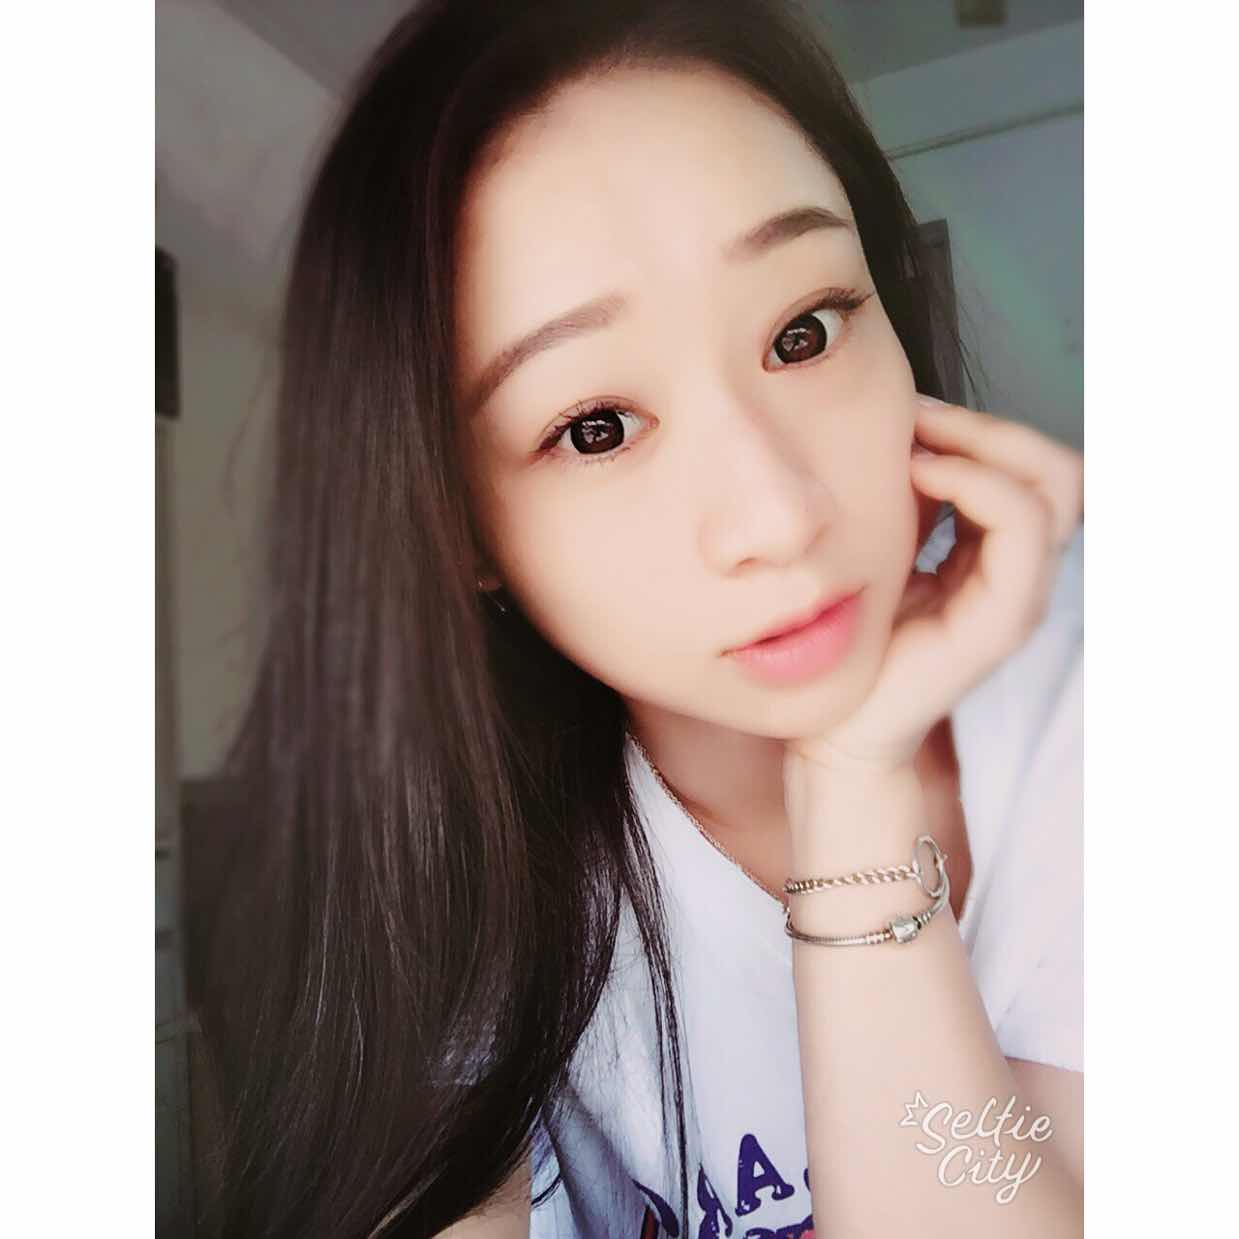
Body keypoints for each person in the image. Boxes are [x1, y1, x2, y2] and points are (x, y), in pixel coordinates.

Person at [185, 1, 1084, 1236]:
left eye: (805, 331)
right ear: (461, 530)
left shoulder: (1097, 682)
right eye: (596, 428)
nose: (778, 514)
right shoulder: (454, 838)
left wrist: (854, 787)